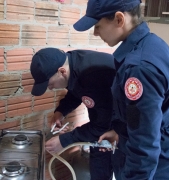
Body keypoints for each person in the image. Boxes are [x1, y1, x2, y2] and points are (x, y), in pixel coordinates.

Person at [73, 0, 169, 180]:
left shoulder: (139, 68)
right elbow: (143, 117)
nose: (95, 33)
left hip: (156, 167)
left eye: (98, 26)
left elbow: (144, 145)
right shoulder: (152, 44)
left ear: (119, 19)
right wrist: (121, 132)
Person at [30, 47, 116, 180]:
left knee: (124, 170)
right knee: (99, 169)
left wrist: (65, 140)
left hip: (125, 129)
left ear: (61, 71)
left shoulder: (94, 75)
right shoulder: (72, 63)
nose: (50, 88)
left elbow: (102, 125)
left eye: (50, 84)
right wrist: (61, 111)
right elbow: (77, 91)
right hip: (102, 126)